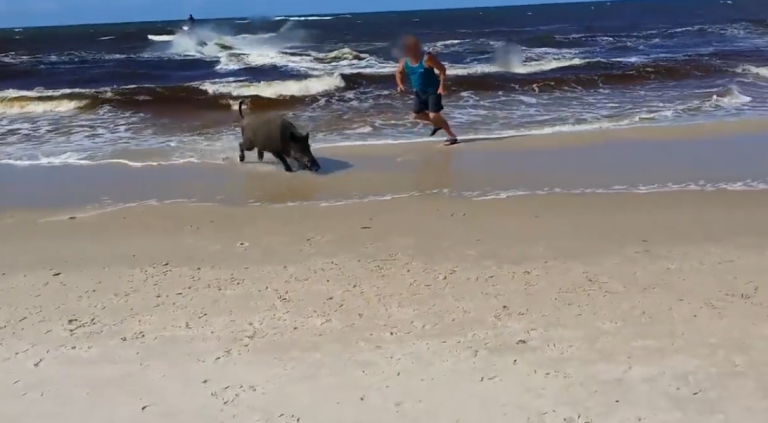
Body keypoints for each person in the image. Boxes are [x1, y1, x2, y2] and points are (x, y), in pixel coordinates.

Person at [395, 35, 459, 146]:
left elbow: (442, 69)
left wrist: (441, 86)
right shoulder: (404, 61)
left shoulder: (427, 58)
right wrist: (400, 84)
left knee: (434, 115)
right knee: (417, 115)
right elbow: (399, 72)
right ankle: (438, 124)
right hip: (419, 92)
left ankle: (452, 136)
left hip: (433, 90)